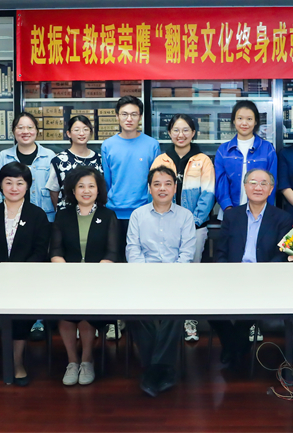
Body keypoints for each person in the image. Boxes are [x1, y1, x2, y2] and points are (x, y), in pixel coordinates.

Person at [0, 162, 51, 387]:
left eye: (20, 183)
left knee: (20, 315)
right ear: (0, 185)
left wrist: (17, 273)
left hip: (26, 279)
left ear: (28, 186)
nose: (14, 188)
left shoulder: (37, 215)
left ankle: (17, 362)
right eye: (8, 183)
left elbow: (40, 251)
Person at [212, 169, 293, 370]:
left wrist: (263, 274)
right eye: (253, 182)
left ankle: (233, 349)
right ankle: (233, 344)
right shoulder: (232, 216)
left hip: (265, 279)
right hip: (232, 276)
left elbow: (282, 254)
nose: (258, 187)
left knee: (251, 304)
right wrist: (226, 274)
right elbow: (221, 251)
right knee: (207, 305)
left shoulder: (282, 218)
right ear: (245, 186)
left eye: (264, 183)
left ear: (271, 189)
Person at [126, 166, 196, 397]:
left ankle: (153, 371)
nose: (162, 188)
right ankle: (162, 370)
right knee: (137, 315)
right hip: (143, 279)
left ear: (175, 188)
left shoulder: (186, 216)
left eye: (168, 184)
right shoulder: (138, 215)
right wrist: (147, 278)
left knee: (174, 315)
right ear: (149, 188)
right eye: (157, 184)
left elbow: (186, 254)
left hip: (176, 280)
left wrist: (171, 279)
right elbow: (133, 251)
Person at [49, 167, 120, 386]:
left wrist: (91, 276)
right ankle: (72, 361)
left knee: (86, 309)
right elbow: (55, 251)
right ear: (73, 190)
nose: (86, 191)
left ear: (98, 190)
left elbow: (112, 253)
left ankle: (87, 360)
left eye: (91, 186)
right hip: (67, 278)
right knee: (65, 311)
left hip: (99, 280)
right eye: (81, 186)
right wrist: (70, 275)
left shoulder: (108, 216)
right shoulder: (63, 215)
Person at [0, 111, 56, 341]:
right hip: (9, 219)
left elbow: (55, 190)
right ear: (13, 131)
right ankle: (9, 314)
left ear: (37, 131)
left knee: (38, 268)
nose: (25, 131)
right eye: (20, 127)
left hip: (44, 219)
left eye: (30, 127)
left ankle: (38, 318)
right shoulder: (3, 156)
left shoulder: (49, 156)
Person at [151, 114, 216, 342]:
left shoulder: (203, 160)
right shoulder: (161, 160)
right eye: (176, 130)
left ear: (193, 133)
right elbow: (152, 191)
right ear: (169, 133)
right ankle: (166, 320)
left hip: (196, 227)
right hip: (164, 224)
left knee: (191, 273)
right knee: (166, 272)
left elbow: (208, 194)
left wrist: (193, 222)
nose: (181, 135)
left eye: (186, 130)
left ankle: (190, 319)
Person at [101, 96, 162, 249]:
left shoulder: (152, 145)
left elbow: (156, 181)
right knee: (115, 256)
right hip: (114, 212)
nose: (129, 119)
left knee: (141, 256)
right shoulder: (107, 145)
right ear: (117, 116)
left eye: (134, 114)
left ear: (140, 117)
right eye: (124, 114)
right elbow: (107, 181)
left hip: (144, 211)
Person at [215, 100, 277, 212]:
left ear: (255, 121)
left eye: (249, 119)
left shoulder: (268, 149)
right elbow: (221, 184)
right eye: (240, 118)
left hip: (261, 212)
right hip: (230, 211)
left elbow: (272, 183)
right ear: (234, 120)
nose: (244, 123)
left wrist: (265, 211)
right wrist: (228, 209)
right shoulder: (223, 150)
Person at [47, 115, 103, 212]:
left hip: (96, 214)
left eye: (85, 129)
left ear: (91, 132)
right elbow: (54, 192)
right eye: (76, 130)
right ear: (68, 133)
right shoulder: (59, 160)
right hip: (67, 214)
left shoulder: (100, 159)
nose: (81, 133)